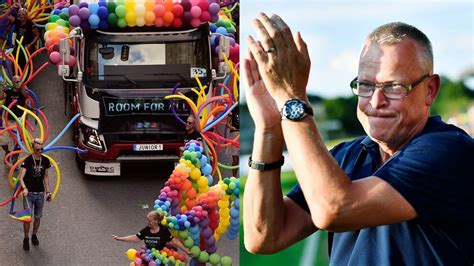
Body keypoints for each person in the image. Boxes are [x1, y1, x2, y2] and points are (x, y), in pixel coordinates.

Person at [243, 13, 474, 265]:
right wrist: (268, 127)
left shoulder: (449, 150)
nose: (376, 102)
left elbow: (333, 209)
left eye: (393, 86)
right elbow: (264, 237)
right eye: (366, 85)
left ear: (430, 89)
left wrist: (291, 99)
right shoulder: (347, 154)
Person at [18, 138, 52, 251]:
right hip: (29, 195)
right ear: (33, 148)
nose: (40, 151)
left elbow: (46, 177)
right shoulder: (27, 161)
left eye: (41, 149)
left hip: (40, 194)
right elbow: (21, 178)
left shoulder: (46, 161)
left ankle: (34, 235)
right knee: (27, 218)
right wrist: (24, 188)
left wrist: (48, 191)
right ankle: (26, 238)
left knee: (38, 217)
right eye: (37, 149)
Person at [112, 211, 191, 256]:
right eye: (147, 220)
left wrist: (186, 251)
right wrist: (119, 238)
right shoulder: (146, 230)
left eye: (149, 221)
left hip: (161, 257)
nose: (147, 222)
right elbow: (135, 238)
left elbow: (175, 241)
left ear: (156, 221)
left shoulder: (164, 230)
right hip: (149, 256)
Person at [0, 75, 28, 160]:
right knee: (3, 141)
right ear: (12, 83)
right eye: (16, 82)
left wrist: (21, 87)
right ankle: (8, 152)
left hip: (19, 121)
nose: (19, 83)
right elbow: (1, 97)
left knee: (18, 143)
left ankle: (15, 160)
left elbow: (26, 96)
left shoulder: (23, 92)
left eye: (20, 81)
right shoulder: (8, 92)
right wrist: (2, 87)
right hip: (8, 121)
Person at [227, 107, 239, 177]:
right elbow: (227, 124)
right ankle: (234, 177)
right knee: (235, 159)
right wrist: (231, 127)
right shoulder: (233, 109)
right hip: (234, 134)